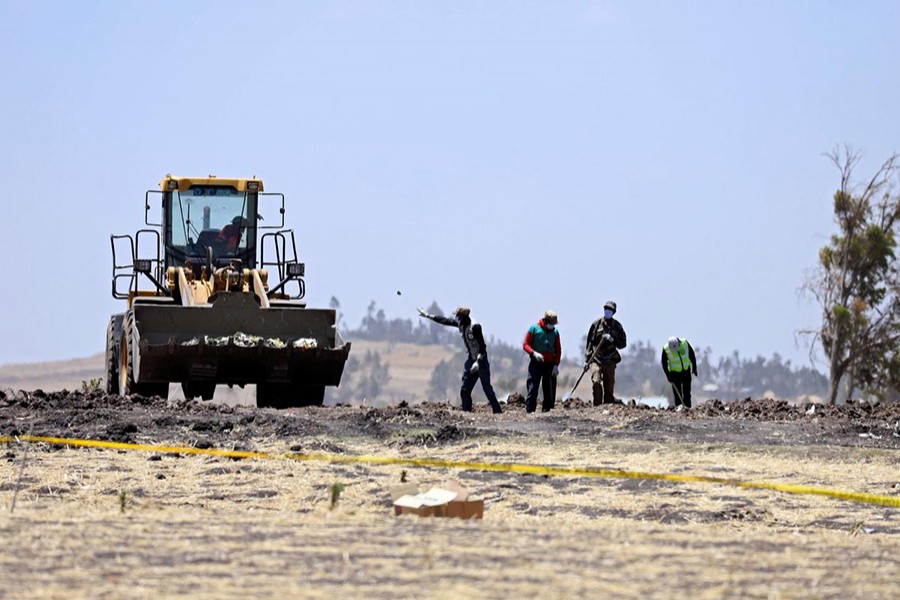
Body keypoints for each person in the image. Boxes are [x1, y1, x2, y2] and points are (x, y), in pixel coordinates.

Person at [416, 305, 502, 414]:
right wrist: (428, 316)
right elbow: (445, 321)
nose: (456, 318)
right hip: (471, 360)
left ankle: (498, 412)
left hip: (481, 361)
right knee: (465, 389)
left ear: (463, 317)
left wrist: (478, 362)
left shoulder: (475, 327)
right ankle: (467, 413)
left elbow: (483, 348)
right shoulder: (461, 323)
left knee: (487, 389)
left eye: (458, 316)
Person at [584, 300, 627, 406]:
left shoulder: (617, 326)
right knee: (596, 382)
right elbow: (590, 343)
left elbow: (623, 343)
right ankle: (597, 407)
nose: (607, 311)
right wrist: (587, 360)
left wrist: (613, 339)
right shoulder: (596, 325)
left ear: (613, 312)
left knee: (609, 389)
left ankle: (607, 408)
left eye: (610, 310)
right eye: (606, 309)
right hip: (596, 359)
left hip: (610, 359)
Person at [522, 310, 562, 413]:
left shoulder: (555, 332)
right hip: (536, 363)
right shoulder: (534, 329)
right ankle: (530, 410)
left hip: (549, 364)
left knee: (549, 389)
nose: (552, 326)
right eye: (551, 323)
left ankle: (547, 411)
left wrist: (556, 365)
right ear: (546, 320)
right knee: (533, 387)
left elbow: (558, 350)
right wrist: (534, 353)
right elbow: (525, 345)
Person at [661, 336, 697, 410]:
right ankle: (679, 409)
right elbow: (664, 363)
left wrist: (694, 368)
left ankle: (687, 408)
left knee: (687, 393)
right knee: (677, 395)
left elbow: (691, 354)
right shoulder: (666, 349)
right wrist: (668, 375)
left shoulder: (685, 343)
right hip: (674, 374)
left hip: (686, 371)